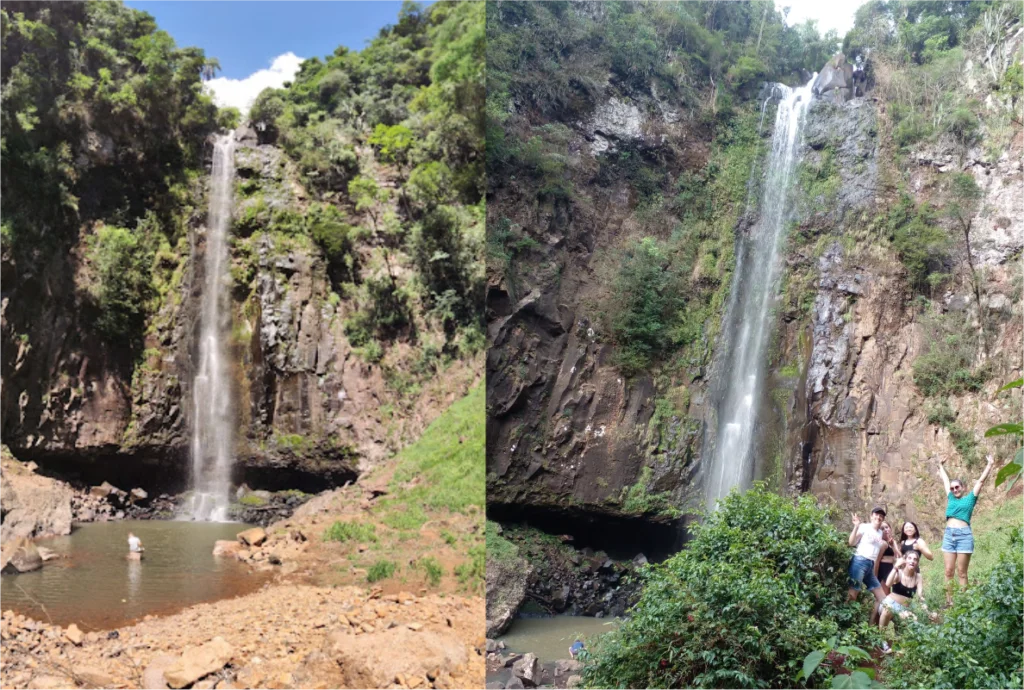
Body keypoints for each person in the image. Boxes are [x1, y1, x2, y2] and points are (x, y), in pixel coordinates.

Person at [937, 454, 995, 602]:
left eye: (957, 487)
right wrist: (941, 466)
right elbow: (945, 480)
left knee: (962, 572)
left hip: (964, 536)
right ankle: (949, 602)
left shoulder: (970, 499)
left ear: (963, 488)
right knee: (948, 571)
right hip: (949, 535)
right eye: (953, 488)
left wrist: (989, 465)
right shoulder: (950, 497)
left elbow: (980, 481)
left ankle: (964, 603)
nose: (955, 489)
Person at [878, 550, 927, 651]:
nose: (912, 561)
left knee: (913, 620)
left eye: (915, 559)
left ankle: (901, 643)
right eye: (909, 558)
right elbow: (888, 584)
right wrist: (895, 567)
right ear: (905, 560)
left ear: (917, 562)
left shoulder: (918, 576)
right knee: (888, 610)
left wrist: (925, 606)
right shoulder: (899, 573)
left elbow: (920, 595)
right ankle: (882, 640)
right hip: (889, 604)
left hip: (905, 608)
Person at [847, 507, 888, 620]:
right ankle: (846, 621)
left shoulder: (880, 533)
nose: (879, 517)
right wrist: (856, 526)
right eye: (876, 514)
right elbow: (851, 542)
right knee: (853, 594)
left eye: (881, 516)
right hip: (859, 561)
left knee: (882, 598)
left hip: (870, 565)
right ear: (871, 516)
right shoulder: (864, 527)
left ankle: (873, 625)